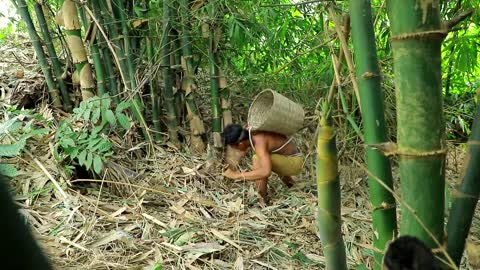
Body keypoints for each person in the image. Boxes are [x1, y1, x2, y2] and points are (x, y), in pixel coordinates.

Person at [221, 123, 304, 205]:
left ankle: (262, 201)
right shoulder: (250, 132)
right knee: (265, 158)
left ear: (241, 144)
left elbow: (265, 172)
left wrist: (236, 175)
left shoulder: (259, 144)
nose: (237, 150)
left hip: (296, 163)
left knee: (257, 159)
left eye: (235, 148)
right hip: (288, 158)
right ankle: (292, 185)